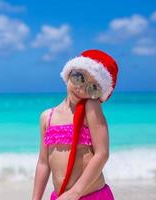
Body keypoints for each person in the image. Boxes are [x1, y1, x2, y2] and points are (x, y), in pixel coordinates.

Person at [31, 49, 118, 200]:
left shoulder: (91, 106)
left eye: (92, 88)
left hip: (90, 195)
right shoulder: (47, 117)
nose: (81, 88)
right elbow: (43, 164)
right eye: (79, 78)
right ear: (68, 72)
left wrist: (75, 192)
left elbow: (102, 153)